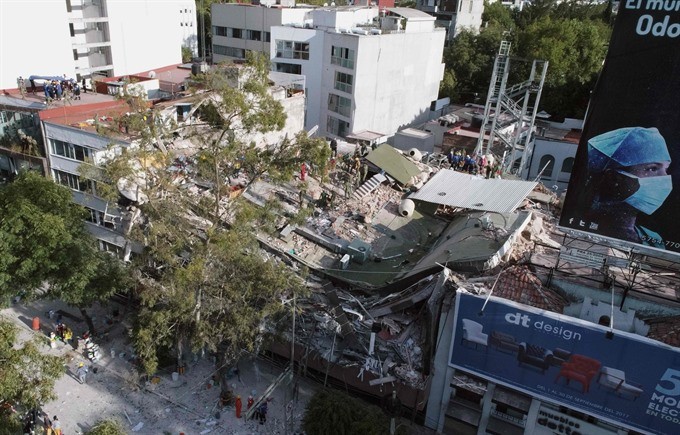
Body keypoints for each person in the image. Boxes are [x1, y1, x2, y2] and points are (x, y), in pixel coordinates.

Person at [577, 126, 672, 248]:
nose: (664, 177)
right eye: (652, 168)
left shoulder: (653, 239)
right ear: (614, 177)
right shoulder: (581, 226)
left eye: (666, 169)